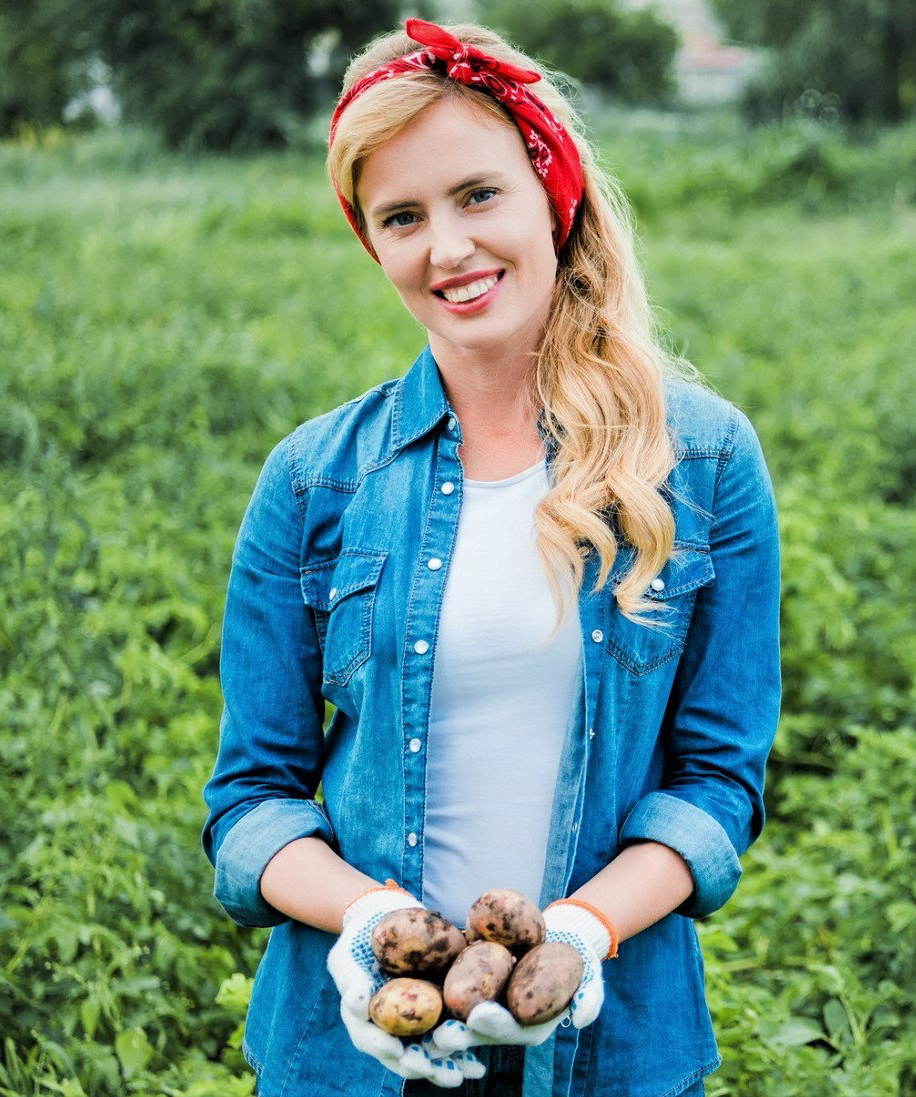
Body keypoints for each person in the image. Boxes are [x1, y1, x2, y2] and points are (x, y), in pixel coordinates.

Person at [200, 19, 781, 1096]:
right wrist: (367, 917)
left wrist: (584, 930)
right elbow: (251, 800)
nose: (448, 249)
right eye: (402, 217)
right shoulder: (315, 480)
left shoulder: (699, 460)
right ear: (372, 244)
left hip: (611, 1048)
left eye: (478, 195)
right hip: (355, 1048)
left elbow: (718, 781)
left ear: (550, 193)